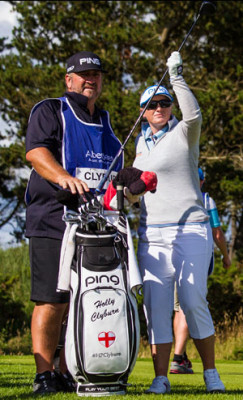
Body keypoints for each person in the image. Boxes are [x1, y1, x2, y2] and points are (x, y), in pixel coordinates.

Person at [25, 51, 124, 395]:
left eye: (96, 75)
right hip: (52, 220)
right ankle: (44, 374)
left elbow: (114, 180)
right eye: (83, 74)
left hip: (93, 228)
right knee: (50, 300)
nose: (90, 80)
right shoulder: (51, 110)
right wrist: (65, 178)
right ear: (69, 80)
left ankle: (67, 369)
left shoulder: (108, 125)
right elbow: (36, 153)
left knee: (79, 301)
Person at [133, 51, 226, 393]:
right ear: (143, 112)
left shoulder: (185, 133)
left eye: (165, 102)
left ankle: (211, 372)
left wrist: (176, 76)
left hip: (191, 228)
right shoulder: (139, 146)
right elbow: (135, 193)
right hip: (152, 234)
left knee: (191, 298)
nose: (160, 107)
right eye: (153, 104)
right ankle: (161, 378)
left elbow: (195, 113)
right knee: (156, 306)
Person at [170, 167, 231, 374]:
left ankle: (181, 355)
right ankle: (178, 357)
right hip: (196, 260)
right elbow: (216, 233)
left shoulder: (172, 199)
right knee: (191, 303)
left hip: (172, 260)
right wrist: (226, 255)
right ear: (201, 181)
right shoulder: (206, 200)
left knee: (179, 308)